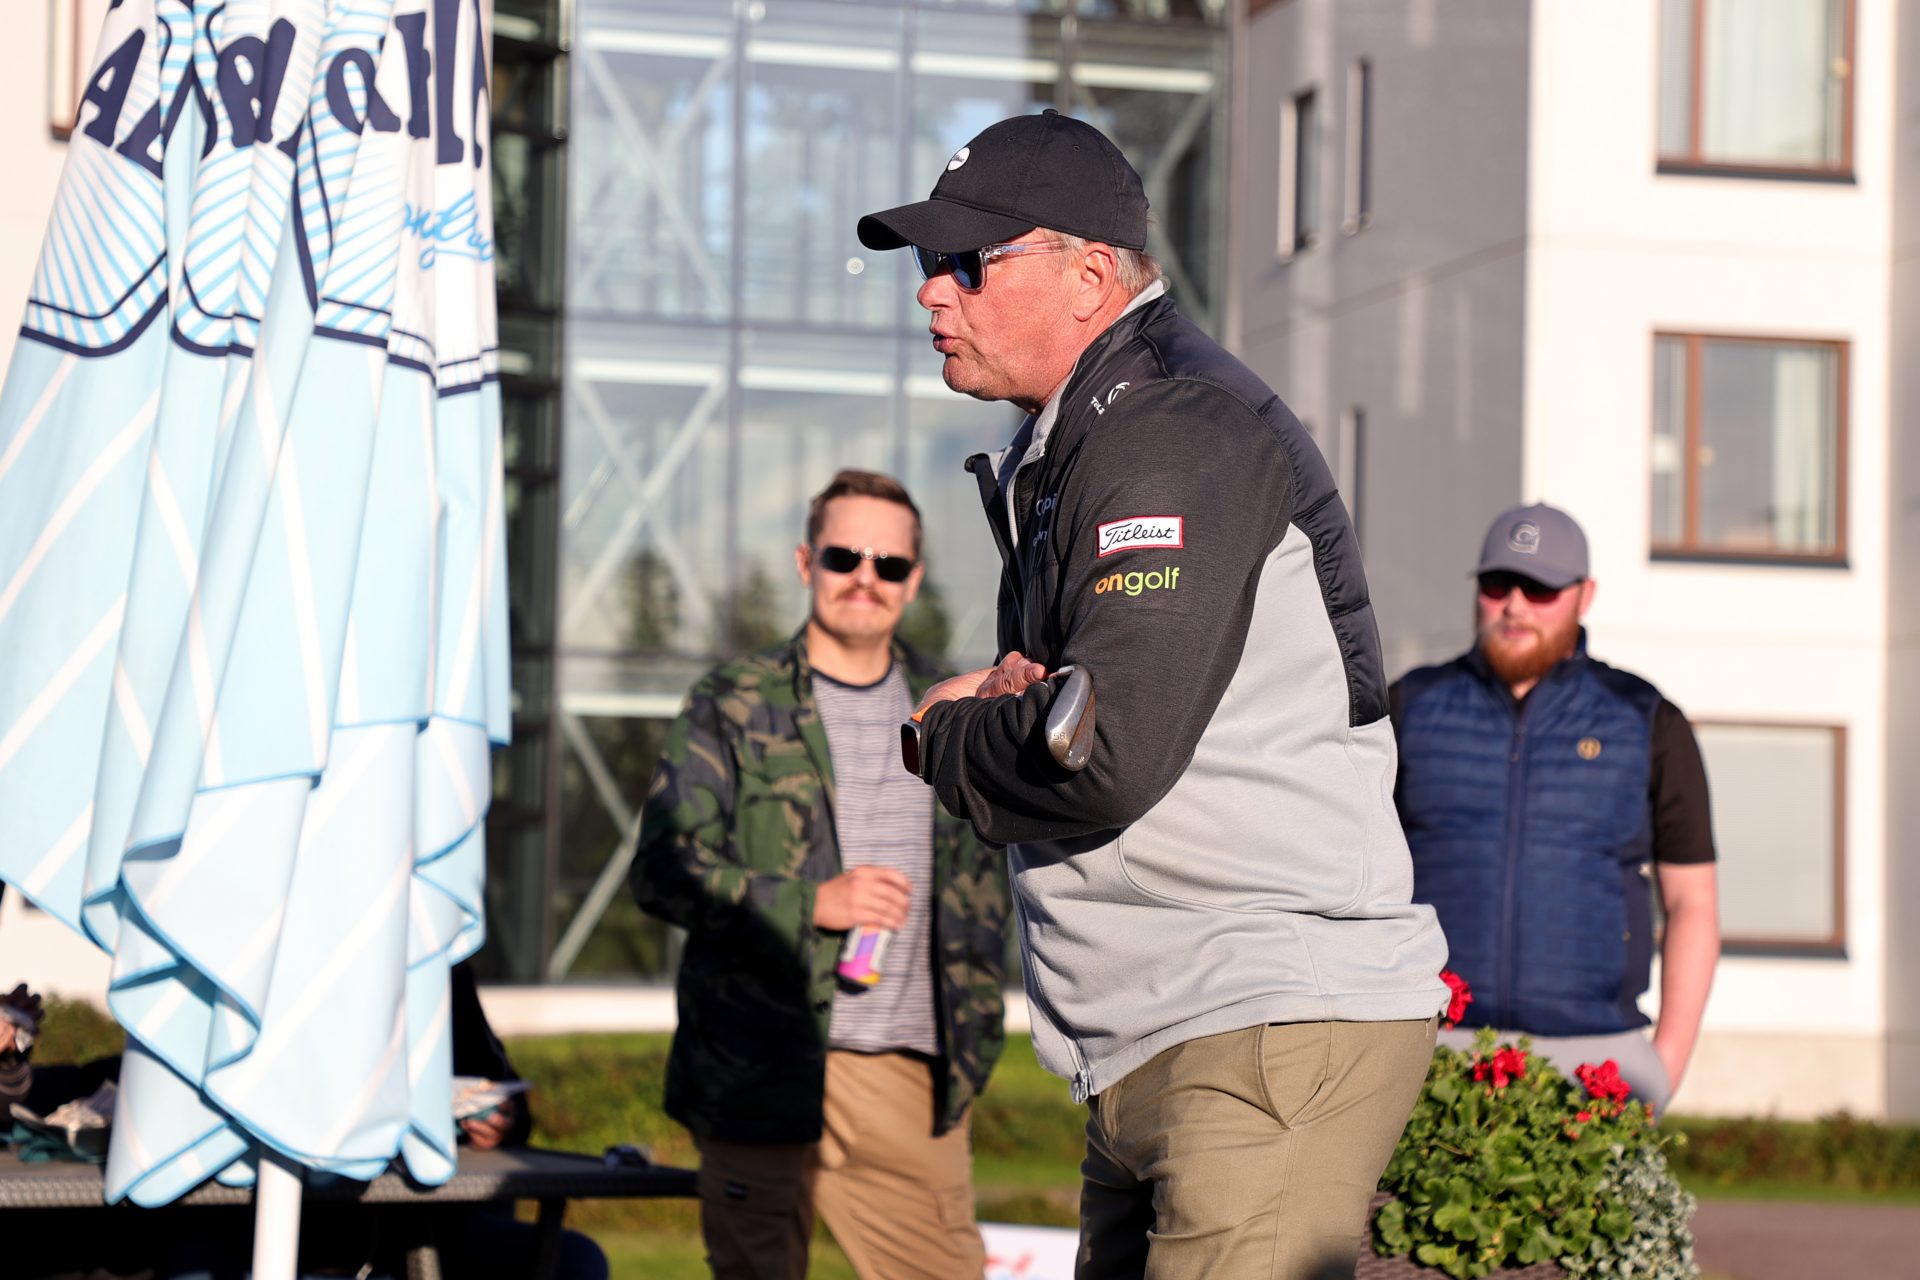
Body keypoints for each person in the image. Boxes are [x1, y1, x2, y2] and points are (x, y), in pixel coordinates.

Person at [856, 111, 1448, 1279]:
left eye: (968, 261)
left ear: (1090, 276)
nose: (932, 290)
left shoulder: (1172, 429)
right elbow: (1069, 719)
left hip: (1255, 1021)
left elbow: (1101, 745)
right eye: (928, 261)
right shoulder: (1083, 438)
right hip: (1173, 1027)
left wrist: (948, 728)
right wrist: (1019, 709)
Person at [631, 469, 1010, 1280]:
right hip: (759, 1062)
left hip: (908, 1073)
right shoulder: (732, 702)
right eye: (844, 557)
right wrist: (810, 903)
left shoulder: (955, 711)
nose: (865, 578)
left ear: (913, 580)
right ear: (807, 563)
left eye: (889, 564)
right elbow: (663, 869)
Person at [1390, 503, 1721, 1114]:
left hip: (1596, 1061)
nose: (1514, 606)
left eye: (1540, 589)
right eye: (1497, 585)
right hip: (1427, 1053)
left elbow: (1692, 902)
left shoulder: (1648, 720)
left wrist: (1664, 1066)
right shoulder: (1410, 707)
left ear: (1584, 596)